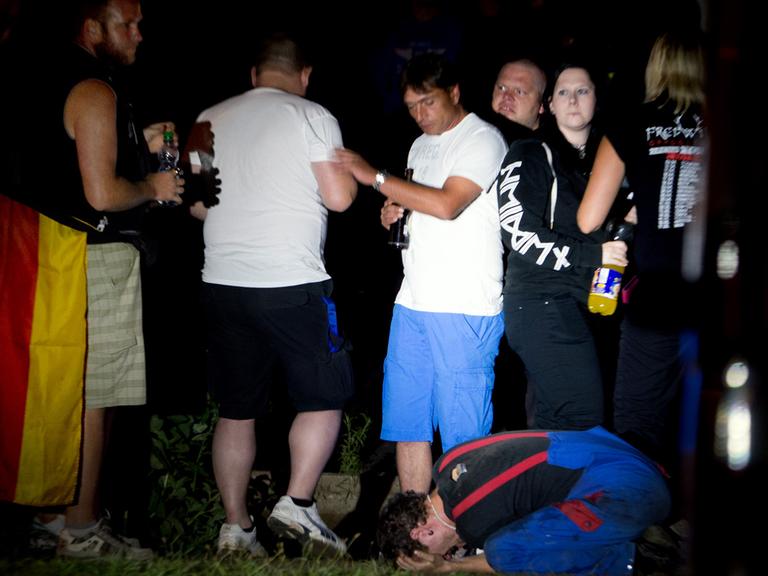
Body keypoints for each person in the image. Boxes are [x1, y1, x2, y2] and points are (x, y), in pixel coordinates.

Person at [1, 0, 182, 559]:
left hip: (47, 253)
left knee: (62, 385)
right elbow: (102, 193)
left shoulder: (41, 77)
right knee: (99, 391)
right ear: (92, 27)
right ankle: (81, 530)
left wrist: (140, 145)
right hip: (93, 253)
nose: (139, 34)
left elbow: (58, 164)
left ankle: (52, 516)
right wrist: (154, 187)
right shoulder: (95, 89)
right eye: (129, 24)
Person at [194, 32, 357, 557]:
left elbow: (196, 205)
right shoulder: (313, 115)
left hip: (223, 283)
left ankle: (236, 527)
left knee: (236, 409)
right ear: (304, 75)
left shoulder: (207, 118)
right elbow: (339, 198)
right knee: (324, 394)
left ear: (254, 75)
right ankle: (298, 502)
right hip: (292, 282)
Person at [336, 53, 507, 493]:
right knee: (407, 422)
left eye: (428, 102)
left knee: (464, 435)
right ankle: (414, 516)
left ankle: (464, 523)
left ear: (454, 92)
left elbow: (448, 204)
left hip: (465, 304)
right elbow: (419, 203)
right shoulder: (417, 145)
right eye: (411, 106)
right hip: (412, 300)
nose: (419, 114)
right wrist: (394, 213)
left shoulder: (483, 139)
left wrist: (375, 177)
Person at [577, 31, 707, 469]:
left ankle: (641, 503)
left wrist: (636, 209)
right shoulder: (730, 122)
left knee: (638, 422)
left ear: (656, 67)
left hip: (658, 298)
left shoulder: (632, 123)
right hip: (716, 294)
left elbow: (588, 219)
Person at [492, 63, 628, 430]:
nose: (572, 100)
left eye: (582, 91)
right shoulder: (530, 151)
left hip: (583, 303)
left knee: (555, 423)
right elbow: (517, 232)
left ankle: (544, 471)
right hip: (541, 302)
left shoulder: (605, 161)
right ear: (549, 104)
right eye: (563, 92)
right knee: (584, 417)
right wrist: (594, 254)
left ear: (596, 100)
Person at [376, 426, 670, 575]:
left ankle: (637, 559)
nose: (449, 552)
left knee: (502, 550)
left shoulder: (473, 518)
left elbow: (505, 559)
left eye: (436, 552)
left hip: (631, 489)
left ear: (422, 532)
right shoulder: (446, 465)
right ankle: (636, 533)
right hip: (619, 455)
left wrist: (450, 567)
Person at [490, 58, 547, 143]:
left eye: (519, 92)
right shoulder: (477, 132)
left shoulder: (544, 149)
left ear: (541, 105)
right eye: (502, 88)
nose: (507, 96)